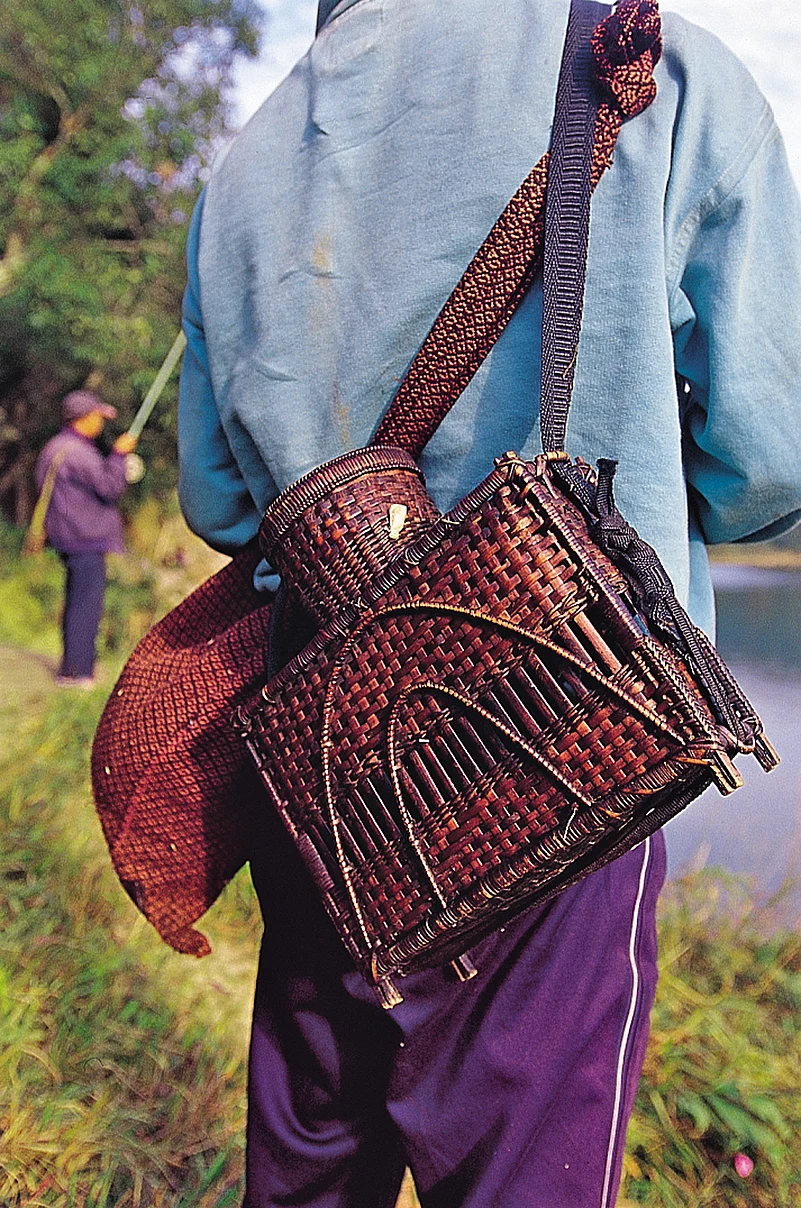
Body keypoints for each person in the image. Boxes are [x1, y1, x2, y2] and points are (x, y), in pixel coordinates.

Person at [176, 1, 801, 1204]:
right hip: (566, 738)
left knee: (308, 1158)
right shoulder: (649, 67)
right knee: (530, 1175)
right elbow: (770, 458)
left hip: (327, 743)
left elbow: (221, 502)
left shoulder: (249, 152)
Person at [35, 389, 137, 687]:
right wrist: (119, 456)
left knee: (75, 602)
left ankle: (71, 666)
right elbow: (109, 488)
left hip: (67, 538)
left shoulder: (54, 447)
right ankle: (78, 673)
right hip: (85, 538)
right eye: (97, 417)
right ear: (83, 418)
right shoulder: (79, 453)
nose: (100, 423)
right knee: (86, 606)